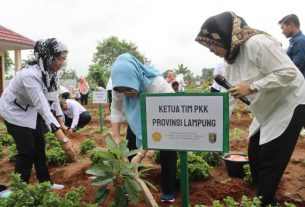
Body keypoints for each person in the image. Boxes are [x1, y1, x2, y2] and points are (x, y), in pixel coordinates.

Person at [195, 11, 305, 206]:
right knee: (254, 152)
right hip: (266, 105)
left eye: (212, 43)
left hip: (289, 102)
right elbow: (229, 97)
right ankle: (261, 194)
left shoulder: (257, 43)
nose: (211, 49)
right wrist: (214, 131)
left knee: (270, 158)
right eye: (207, 46)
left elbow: (289, 73)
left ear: (224, 36)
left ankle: (265, 200)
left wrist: (253, 86)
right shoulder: (230, 60)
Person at [0, 38, 76, 189]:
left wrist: (60, 122)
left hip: (32, 110)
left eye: (63, 59)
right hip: (14, 111)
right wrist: (64, 140)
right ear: (47, 57)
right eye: (58, 59)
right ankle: (19, 190)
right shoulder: (30, 75)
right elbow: (43, 108)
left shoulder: (53, 73)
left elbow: (53, 99)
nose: (60, 63)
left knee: (40, 146)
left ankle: (45, 183)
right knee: (27, 150)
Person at [110, 53, 177, 203]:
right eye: (123, 92)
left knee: (167, 150)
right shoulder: (118, 85)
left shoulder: (156, 85)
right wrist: (116, 137)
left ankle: (169, 189)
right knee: (130, 146)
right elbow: (116, 109)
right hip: (136, 117)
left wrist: (141, 154)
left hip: (164, 119)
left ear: (135, 79)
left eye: (130, 90)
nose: (127, 95)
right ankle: (132, 184)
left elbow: (159, 124)